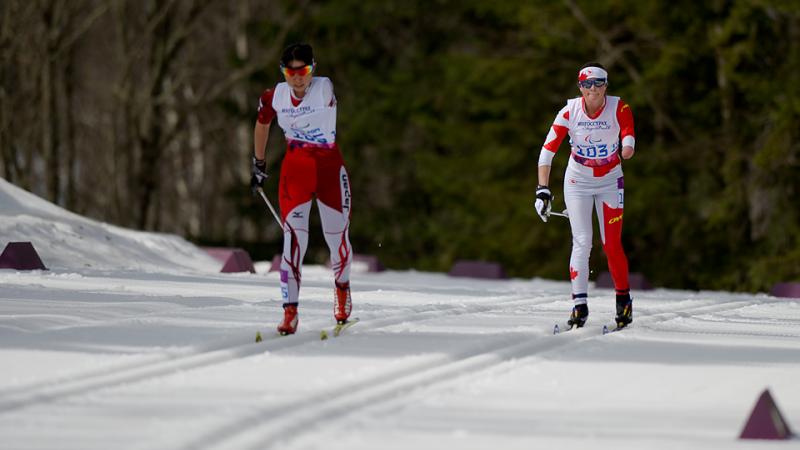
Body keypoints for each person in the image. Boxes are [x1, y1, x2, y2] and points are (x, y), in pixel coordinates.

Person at [251, 43, 353, 335]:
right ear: (283, 72)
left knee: (337, 240)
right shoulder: (275, 96)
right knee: (293, 241)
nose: (298, 78)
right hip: (296, 168)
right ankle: (290, 311)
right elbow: (261, 124)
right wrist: (259, 164)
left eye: (304, 70)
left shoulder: (323, 89)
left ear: (313, 69)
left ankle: (342, 290)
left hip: (329, 167)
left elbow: (315, 102)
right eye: (291, 72)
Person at [535, 62, 635, 329]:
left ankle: (623, 303)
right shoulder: (570, 111)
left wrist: (627, 146)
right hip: (577, 180)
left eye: (599, 83)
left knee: (611, 244)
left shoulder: (619, 107)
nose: (593, 89)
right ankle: (579, 306)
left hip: (610, 181)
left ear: (606, 85)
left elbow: (628, 133)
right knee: (581, 242)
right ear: (580, 87)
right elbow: (547, 152)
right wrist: (542, 190)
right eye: (587, 84)